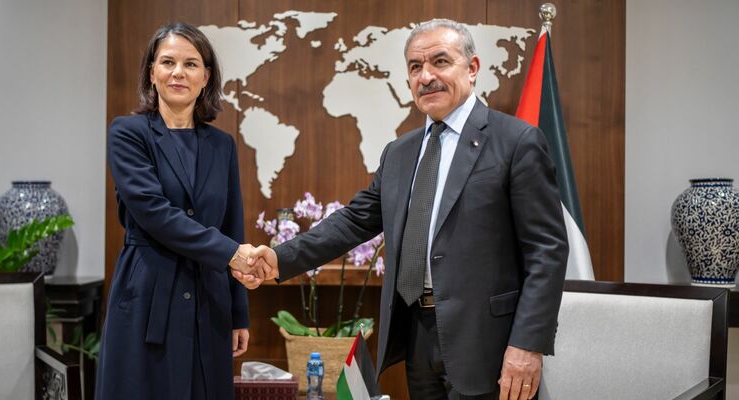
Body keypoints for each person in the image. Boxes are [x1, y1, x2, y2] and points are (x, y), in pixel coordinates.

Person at [235, 18, 568, 400]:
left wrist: (528, 344)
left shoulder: (516, 142)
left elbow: (547, 251)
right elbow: (355, 220)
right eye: (414, 67)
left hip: (489, 344)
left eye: (440, 62)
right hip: (417, 336)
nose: (426, 76)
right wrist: (278, 260)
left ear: (472, 68)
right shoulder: (400, 152)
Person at [96, 22, 267, 400]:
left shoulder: (222, 145)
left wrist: (239, 313)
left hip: (210, 298)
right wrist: (231, 254)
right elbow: (155, 213)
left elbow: (231, 225)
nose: (178, 72)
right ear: (152, 73)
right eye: (168, 62)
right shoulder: (128, 133)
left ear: (205, 77)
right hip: (146, 294)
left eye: (191, 64)